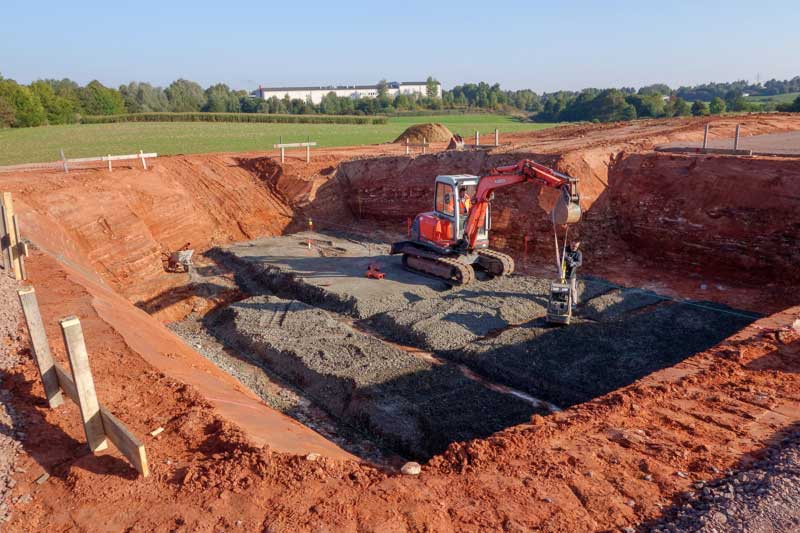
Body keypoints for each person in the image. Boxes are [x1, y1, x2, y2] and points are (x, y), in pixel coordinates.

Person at [564, 241, 582, 308]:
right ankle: (562, 299)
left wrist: (574, 263)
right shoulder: (565, 249)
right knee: (562, 287)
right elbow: (563, 255)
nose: (575, 248)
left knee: (573, 289)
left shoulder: (579, 253)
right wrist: (567, 258)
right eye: (573, 246)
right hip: (563, 272)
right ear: (571, 243)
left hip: (572, 273)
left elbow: (580, 262)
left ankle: (574, 303)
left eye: (576, 247)